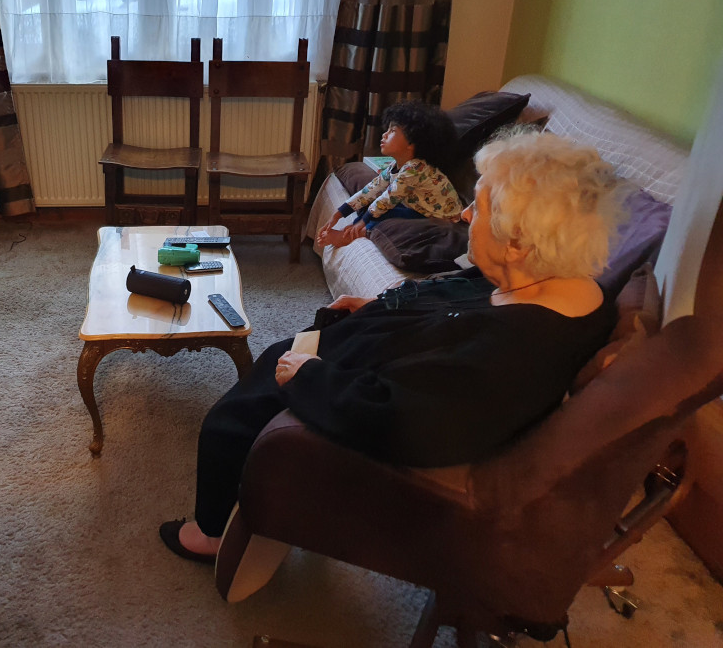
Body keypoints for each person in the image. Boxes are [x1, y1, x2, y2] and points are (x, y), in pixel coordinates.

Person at [159, 130, 622, 562]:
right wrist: (379, 304)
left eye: (477, 208)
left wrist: (309, 375)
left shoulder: (518, 351)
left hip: (349, 386)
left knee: (227, 422)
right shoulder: (553, 284)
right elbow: (452, 301)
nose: (464, 215)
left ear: (517, 243)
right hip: (369, 347)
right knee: (274, 356)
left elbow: (402, 422)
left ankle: (212, 535)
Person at [317, 101, 463, 249]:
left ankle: (348, 236)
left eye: (392, 131)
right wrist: (338, 214)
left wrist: (363, 222)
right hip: (419, 209)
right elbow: (371, 189)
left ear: (411, 143)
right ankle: (351, 231)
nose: (384, 135)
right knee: (372, 207)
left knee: (383, 214)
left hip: (439, 219)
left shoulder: (415, 169)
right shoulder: (396, 166)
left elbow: (388, 198)